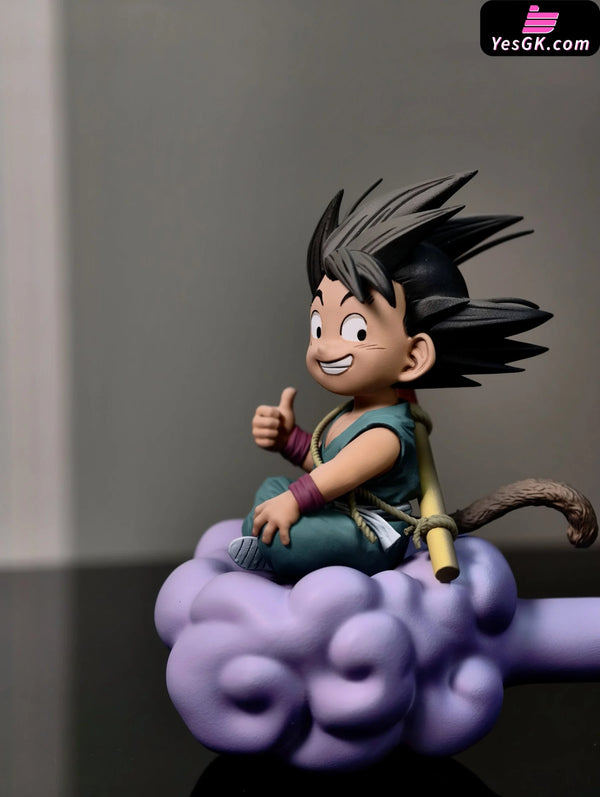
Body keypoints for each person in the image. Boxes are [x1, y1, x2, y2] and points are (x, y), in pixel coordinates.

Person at [228, 171, 551, 581]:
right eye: (318, 326)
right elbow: (325, 463)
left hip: (368, 535)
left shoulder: (386, 433)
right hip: (340, 507)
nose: (324, 348)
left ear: (413, 357)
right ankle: (274, 547)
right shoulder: (350, 413)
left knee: (281, 516)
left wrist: (294, 501)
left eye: (355, 331)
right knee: (270, 490)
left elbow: (334, 477)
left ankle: (277, 552)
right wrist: (289, 440)